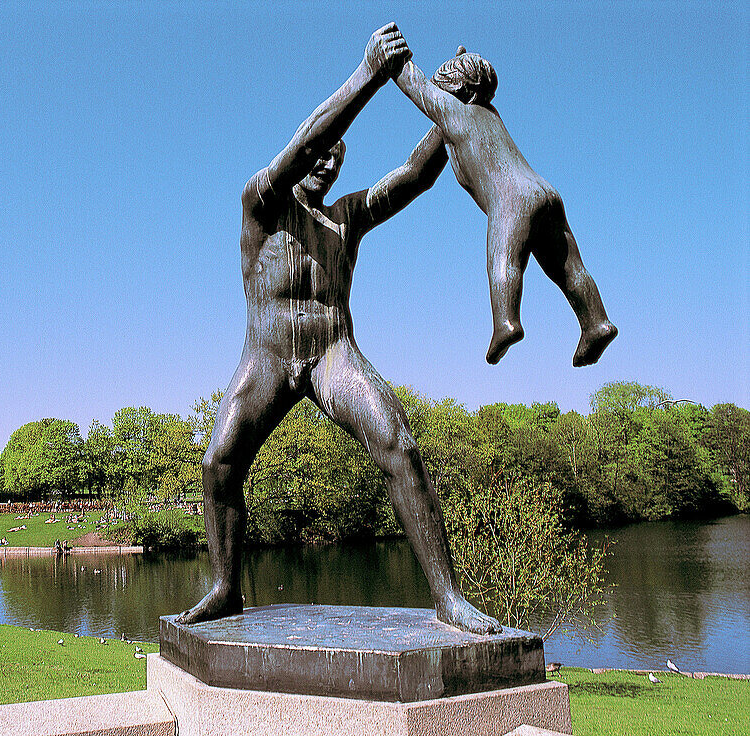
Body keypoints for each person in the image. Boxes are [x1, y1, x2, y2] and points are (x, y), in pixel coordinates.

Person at [178, 23, 500, 634]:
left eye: (337, 156)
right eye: (322, 151)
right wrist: (367, 75)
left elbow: (415, 174)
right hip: (268, 356)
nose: (326, 160)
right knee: (220, 461)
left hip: (332, 352)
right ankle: (224, 586)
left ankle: (449, 598)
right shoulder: (262, 201)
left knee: (399, 444)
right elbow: (302, 144)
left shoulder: (347, 218)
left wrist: (456, 109)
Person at [393, 43, 617, 366]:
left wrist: (395, 58)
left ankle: (506, 322)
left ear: (457, 88)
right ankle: (596, 322)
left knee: (503, 259)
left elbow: (417, 87)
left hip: (510, 198)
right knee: (568, 267)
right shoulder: (485, 114)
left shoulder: (452, 110)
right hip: (544, 192)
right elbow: (423, 159)